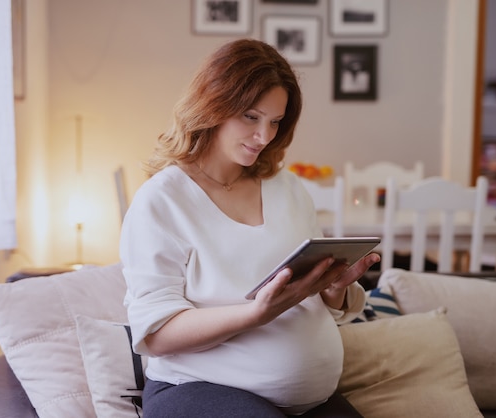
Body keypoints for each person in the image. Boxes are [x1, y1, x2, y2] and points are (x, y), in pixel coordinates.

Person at [120, 38, 380, 417]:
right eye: (251, 117)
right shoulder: (162, 200)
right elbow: (157, 335)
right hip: (198, 390)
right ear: (213, 106)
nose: (265, 137)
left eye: (275, 122)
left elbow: (322, 298)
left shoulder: (287, 187)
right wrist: (257, 314)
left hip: (309, 400)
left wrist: (335, 288)